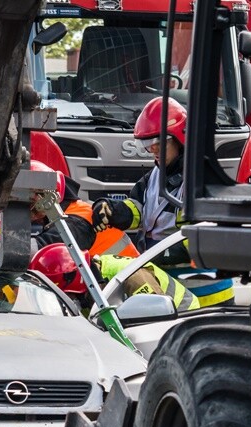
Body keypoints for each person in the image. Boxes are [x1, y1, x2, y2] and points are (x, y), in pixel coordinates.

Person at [91, 97, 235, 307]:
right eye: (148, 144)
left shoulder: (202, 182)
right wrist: (111, 210)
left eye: (159, 142)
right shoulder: (154, 177)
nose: (154, 150)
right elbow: (137, 208)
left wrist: (152, 256)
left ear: (180, 139)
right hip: (170, 282)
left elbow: (198, 242)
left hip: (205, 295)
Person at [31, 243, 200, 315]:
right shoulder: (91, 285)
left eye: (71, 296)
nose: (72, 300)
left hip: (182, 315)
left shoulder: (130, 276)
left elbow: (155, 314)